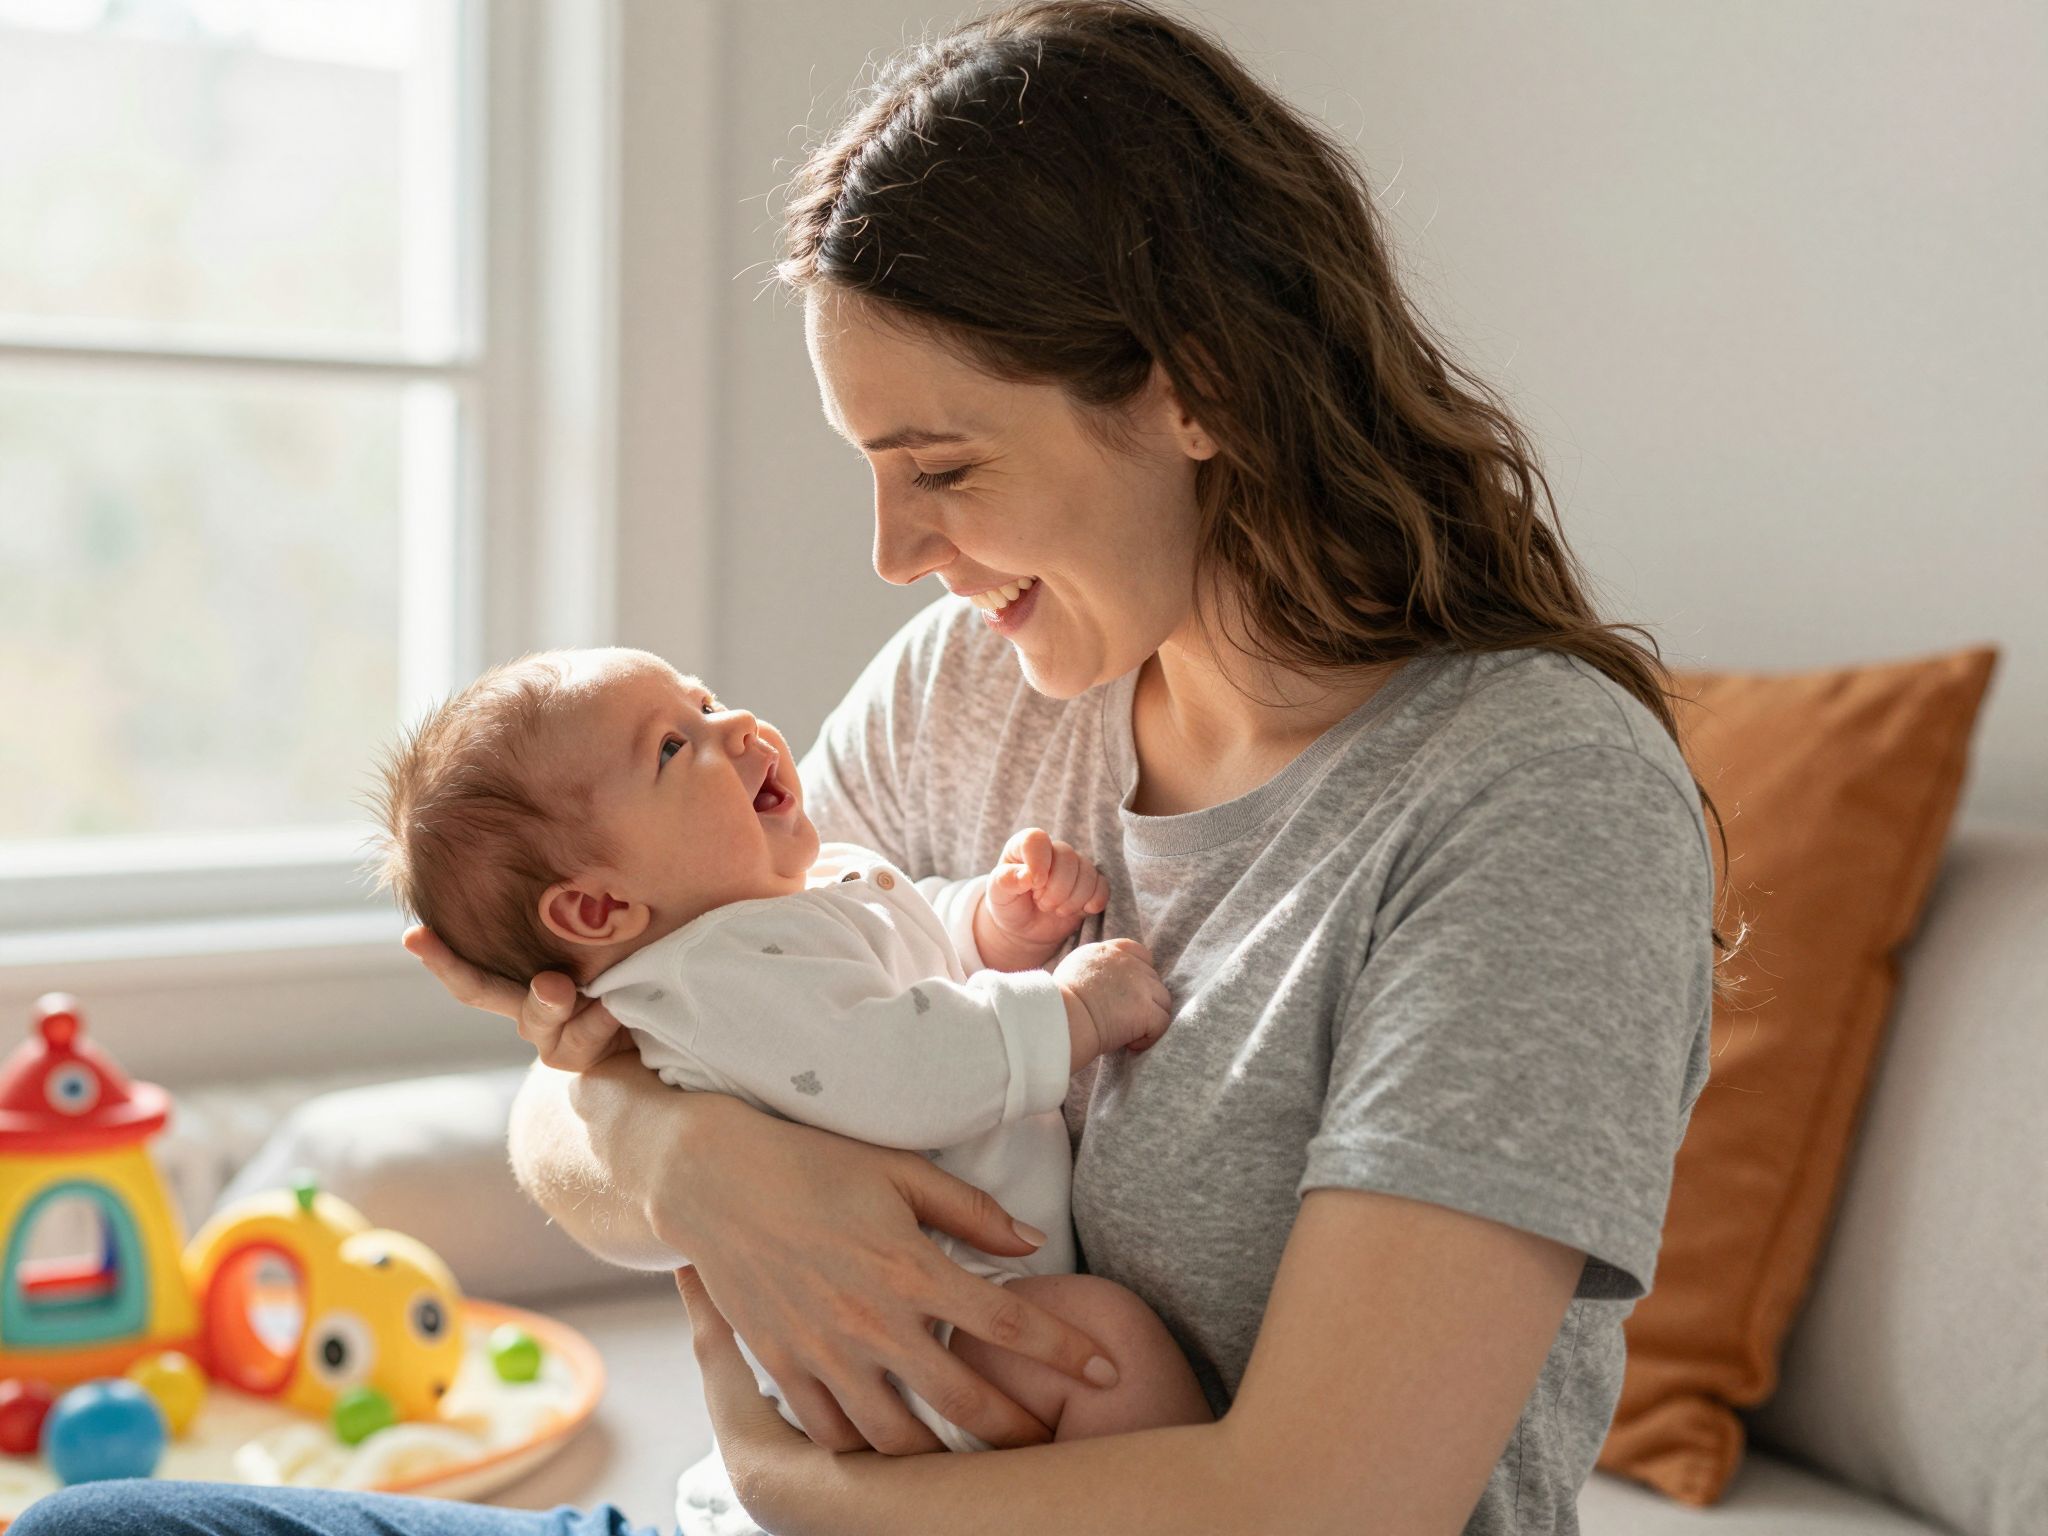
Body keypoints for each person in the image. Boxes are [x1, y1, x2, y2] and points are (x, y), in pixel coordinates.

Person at [13, 2, 1736, 1532]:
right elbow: (605, 1084)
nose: (893, 551)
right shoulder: (978, 687)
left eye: (938, 465)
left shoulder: (1534, 804)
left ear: (1191, 387)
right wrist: (701, 1170)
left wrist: (791, 1483)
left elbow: (1322, 1501)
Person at [362, 645, 1204, 1452]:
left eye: (704, 700)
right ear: (597, 911)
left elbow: (897, 956)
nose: (736, 727)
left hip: (956, 1305)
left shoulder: (772, 903)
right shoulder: (714, 980)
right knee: (1110, 1357)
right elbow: (900, 1069)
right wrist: (1072, 1011)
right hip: (919, 1339)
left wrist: (990, 923)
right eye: (669, 747)